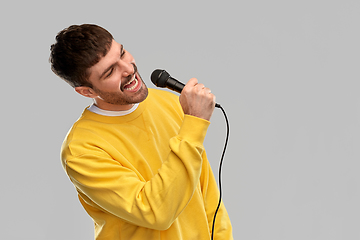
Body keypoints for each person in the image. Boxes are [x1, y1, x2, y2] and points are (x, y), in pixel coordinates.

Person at [50, 24, 233, 240]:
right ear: (86, 91)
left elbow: (206, 193)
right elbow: (155, 212)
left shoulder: (171, 102)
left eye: (122, 53)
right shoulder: (81, 149)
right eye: (110, 71)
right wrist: (194, 125)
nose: (127, 69)